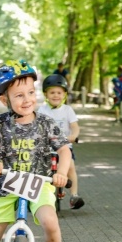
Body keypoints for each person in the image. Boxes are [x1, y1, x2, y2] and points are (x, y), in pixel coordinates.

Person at [0, 60, 74, 242]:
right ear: (5, 100)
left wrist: (60, 172)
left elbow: (63, 149)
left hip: (39, 182)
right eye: (19, 95)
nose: (27, 99)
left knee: (50, 221)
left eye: (30, 92)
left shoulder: (46, 123)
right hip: (6, 184)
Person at [38, 74, 85, 210]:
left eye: (59, 92)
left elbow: (75, 127)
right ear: (46, 94)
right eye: (52, 92)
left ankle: (74, 195)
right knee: (39, 169)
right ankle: (37, 197)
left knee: (70, 166)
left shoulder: (67, 110)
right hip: (47, 147)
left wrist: (74, 136)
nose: (55, 95)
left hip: (64, 145)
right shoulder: (42, 110)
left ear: (64, 94)